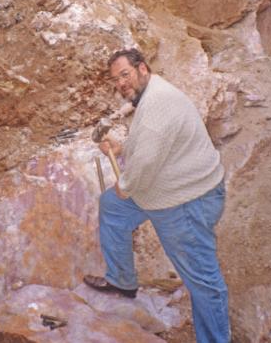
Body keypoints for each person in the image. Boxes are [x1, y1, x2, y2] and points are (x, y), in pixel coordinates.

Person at [84, 48, 230, 343]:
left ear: (142, 69)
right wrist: (122, 147)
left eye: (125, 74)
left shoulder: (156, 105)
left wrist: (125, 185)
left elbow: (145, 165)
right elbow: (152, 143)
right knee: (112, 207)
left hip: (187, 200)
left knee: (203, 282)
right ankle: (122, 280)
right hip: (166, 189)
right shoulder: (152, 94)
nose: (121, 83)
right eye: (116, 79)